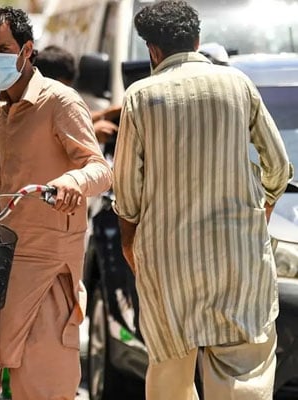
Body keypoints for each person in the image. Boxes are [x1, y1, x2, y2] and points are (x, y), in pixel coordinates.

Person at [112, 2, 293, 399]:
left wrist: (129, 243)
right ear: (196, 39)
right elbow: (278, 167)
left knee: (170, 373)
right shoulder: (237, 84)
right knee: (242, 369)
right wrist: (259, 215)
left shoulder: (140, 97)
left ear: (152, 50)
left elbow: (126, 192)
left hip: (167, 261)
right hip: (238, 260)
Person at [0, 7, 113, 399]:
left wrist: (71, 182)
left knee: (46, 373)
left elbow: (99, 169)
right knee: (13, 371)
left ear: (26, 50)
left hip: (50, 263)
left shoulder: (59, 101)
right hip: (9, 258)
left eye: (3, 48)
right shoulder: (3, 113)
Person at [34, 44, 121, 148]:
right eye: (61, 91)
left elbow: (71, 118)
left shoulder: (49, 105)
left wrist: (105, 114)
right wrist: (91, 136)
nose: (65, 97)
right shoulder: (29, 110)